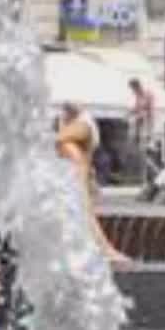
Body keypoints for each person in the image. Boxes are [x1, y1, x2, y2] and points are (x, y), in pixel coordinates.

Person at [57, 102, 130, 266]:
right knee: (78, 210)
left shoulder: (81, 127)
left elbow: (58, 139)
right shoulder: (73, 125)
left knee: (81, 210)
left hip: (77, 166)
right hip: (76, 168)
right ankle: (104, 251)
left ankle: (105, 250)